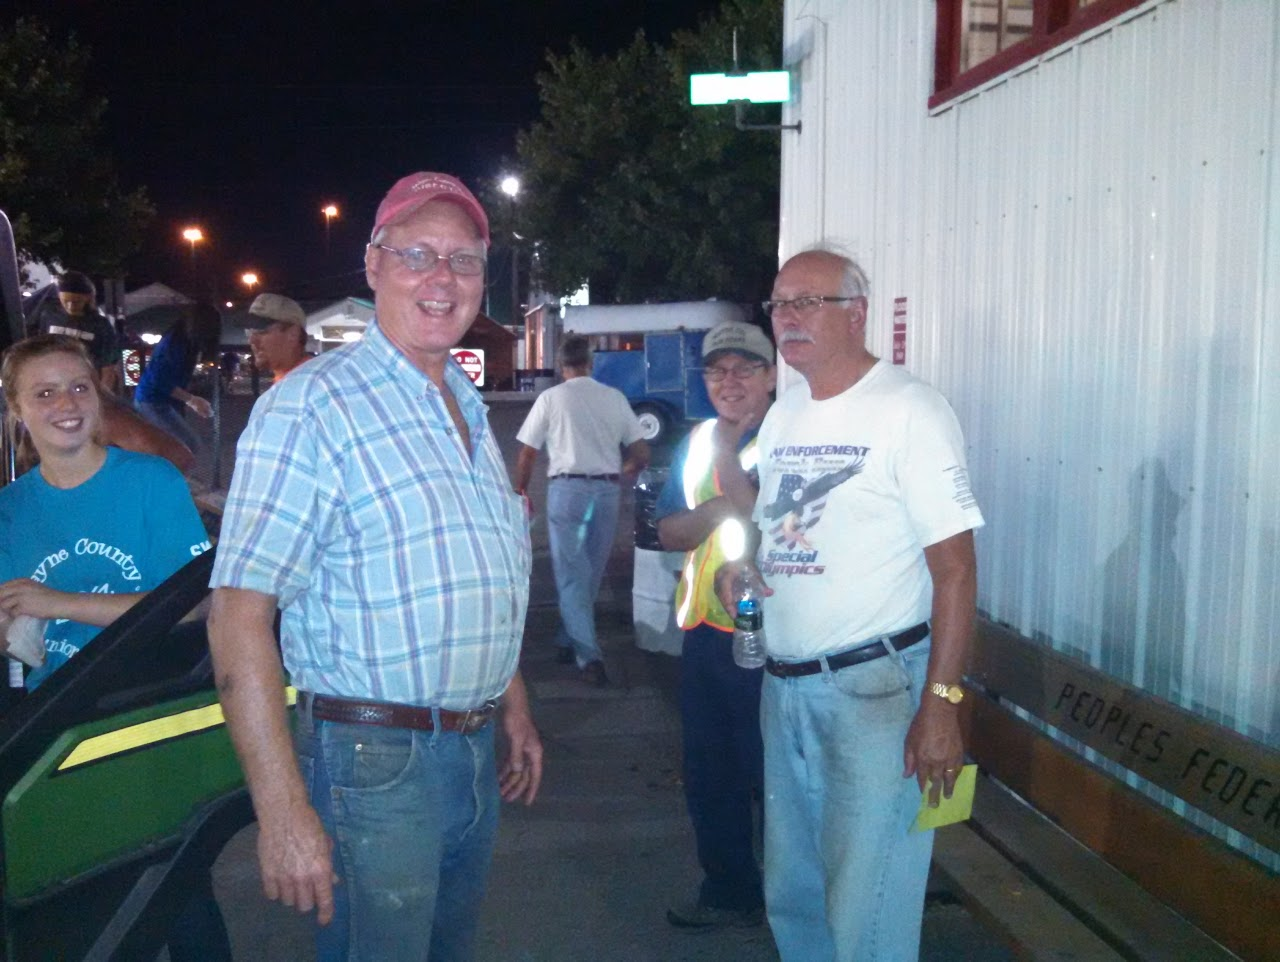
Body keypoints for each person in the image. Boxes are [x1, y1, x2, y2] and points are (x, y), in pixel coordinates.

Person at [207, 171, 542, 962]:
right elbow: (238, 612)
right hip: (373, 763)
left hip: (468, 747)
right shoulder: (312, 406)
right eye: (418, 253)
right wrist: (284, 810)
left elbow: (477, 574)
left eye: (463, 260)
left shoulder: (459, 397)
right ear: (373, 265)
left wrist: (513, 704)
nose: (442, 277)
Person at [724, 249, 985, 961]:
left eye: (809, 303)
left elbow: (957, 570)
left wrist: (942, 706)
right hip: (785, 690)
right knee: (796, 898)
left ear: (857, 313)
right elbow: (777, 528)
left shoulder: (910, 411)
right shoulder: (787, 412)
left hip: (876, 692)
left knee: (866, 914)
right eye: (779, 304)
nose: (788, 319)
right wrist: (743, 569)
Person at [0, 334, 226, 960]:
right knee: (75, 902)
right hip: (55, 728)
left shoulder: (149, 481)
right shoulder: (8, 511)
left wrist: (58, 602)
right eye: (43, 393)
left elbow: (198, 603)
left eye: (79, 388)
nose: (65, 404)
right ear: (17, 409)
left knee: (172, 890)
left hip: (146, 715)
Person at [653, 319, 775, 930]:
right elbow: (667, 529)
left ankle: (791, 901)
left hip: (770, 639)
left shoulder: (790, 435)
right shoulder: (698, 439)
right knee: (709, 773)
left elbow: (763, 519)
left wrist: (729, 494)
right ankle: (729, 888)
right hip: (705, 631)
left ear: (772, 376)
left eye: (745, 368)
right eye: (717, 370)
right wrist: (716, 511)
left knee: (771, 776)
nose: (729, 381)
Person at [513, 335, 650, 685]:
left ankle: (588, 656)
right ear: (591, 362)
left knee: (573, 572)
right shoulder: (614, 398)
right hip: (605, 492)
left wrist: (519, 491)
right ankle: (567, 638)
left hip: (567, 492)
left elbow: (528, 453)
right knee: (589, 571)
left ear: (562, 365)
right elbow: (641, 452)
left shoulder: (550, 399)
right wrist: (626, 471)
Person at [133, 301, 217, 452]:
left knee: (174, 447)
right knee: (186, 446)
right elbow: (159, 381)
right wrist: (191, 400)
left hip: (156, 399)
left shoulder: (180, 338)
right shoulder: (177, 343)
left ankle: (165, 474)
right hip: (152, 400)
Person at [25, 271, 121, 391]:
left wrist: (104, 398)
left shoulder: (100, 325)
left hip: (85, 384)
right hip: (53, 380)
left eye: (76, 302)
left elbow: (108, 368)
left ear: (88, 299)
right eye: (66, 301)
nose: (70, 306)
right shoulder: (49, 315)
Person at [243, 292, 310, 383]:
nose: (252, 340)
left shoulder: (306, 383)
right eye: (249, 332)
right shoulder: (290, 379)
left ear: (293, 334)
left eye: (261, 332)